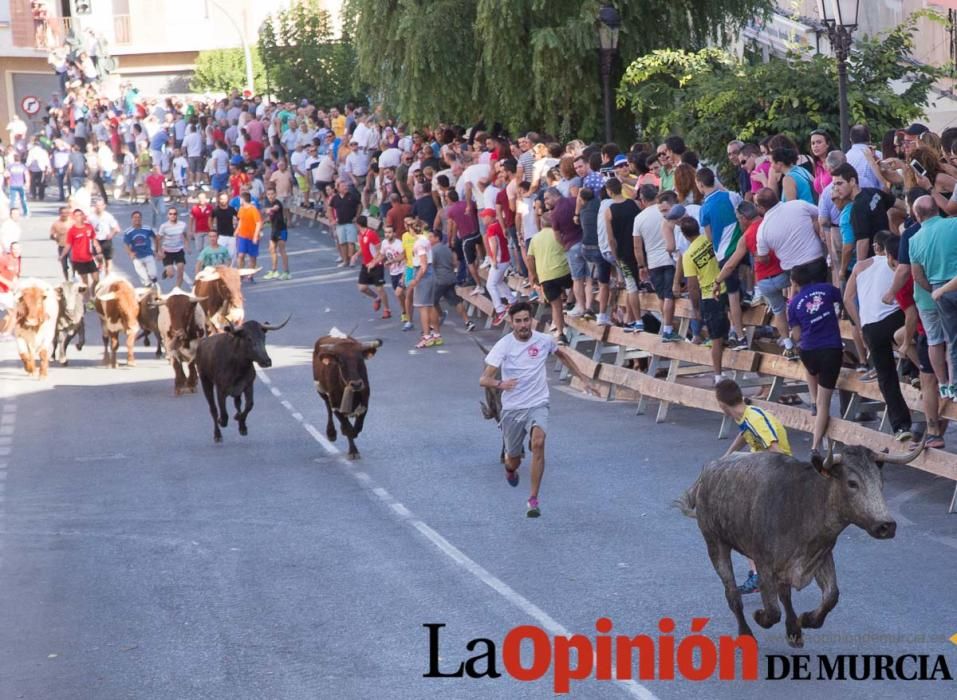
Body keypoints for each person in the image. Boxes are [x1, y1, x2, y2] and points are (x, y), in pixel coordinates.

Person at [479, 301, 600, 518]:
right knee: (513, 459)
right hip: (513, 408)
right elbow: (484, 379)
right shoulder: (504, 345)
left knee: (539, 442)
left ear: (531, 320)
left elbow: (562, 355)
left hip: (538, 403)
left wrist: (583, 379)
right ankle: (510, 468)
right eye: (518, 321)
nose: (523, 325)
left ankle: (533, 499)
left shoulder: (544, 340)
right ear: (512, 322)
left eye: (526, 320)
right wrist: (500, 384)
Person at [714, 378, 791, 594]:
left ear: (721, 404)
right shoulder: (746, 415)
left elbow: (776, 452)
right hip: (764, 476)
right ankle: (760, 573)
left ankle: (761, 575)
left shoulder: (755, 418)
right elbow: (745, 434)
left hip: (776, 478)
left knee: (745, 528)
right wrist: (728, 457)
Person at [843, 233, 913, 442]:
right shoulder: (894, 263)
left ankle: (901, 426)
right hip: (892, 318)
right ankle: (914, 369)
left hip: (870, 326)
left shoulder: (859, 266)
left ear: (876, 247)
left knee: (886, 377)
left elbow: (847, 298)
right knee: (912, 318)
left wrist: (860, 324)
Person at [787, 264, 844, 456]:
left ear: (794, 283)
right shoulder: (826, 289)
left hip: (809, 351)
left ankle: (812, 399)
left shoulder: (793, 304)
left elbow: (796, 336)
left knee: (810, 369)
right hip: (831, 349)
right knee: (824, 404)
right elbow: (844, 297)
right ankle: (815, 445)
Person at [680, 216, 729, 383]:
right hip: (726, 288)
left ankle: (718, 375)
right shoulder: (709, 239)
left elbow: (692, 287)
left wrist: (696, 309)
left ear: (684, 235)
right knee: (725, 334)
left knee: (715, 338)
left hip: (710, 296)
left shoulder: (688, 256)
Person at [527, 210, 572, 344]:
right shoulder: (559, 234)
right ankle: (570, 302)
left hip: (545, 277)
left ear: (541, 224)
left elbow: (529, 259)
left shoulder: (535, 238)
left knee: (556, 306)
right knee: (578, 282)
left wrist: (534, 275)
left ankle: (560, 333)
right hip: (563, 272)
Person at [428, 228, 475, 331]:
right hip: (451, 278)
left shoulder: (433, 251)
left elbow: (431, 266)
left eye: (431, 237)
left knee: (431, 301)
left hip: (440, 279)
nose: (429, 239)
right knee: (456, 301)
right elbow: (455, 263)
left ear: (437, 238)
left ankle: (435, 322)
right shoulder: (447, 248)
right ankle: (468, 321)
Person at [480, 208, 517, 326]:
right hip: (505, 259)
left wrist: (494, 260)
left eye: (485, 216)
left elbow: (494, 245)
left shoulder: (491, 228)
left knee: (490, 285)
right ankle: (512, 300)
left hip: (499, 260)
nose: (483, 218)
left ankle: (500, 310)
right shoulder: (499, 225)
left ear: (491, 217)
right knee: (499, 282)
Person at [351, 215, 391, 319]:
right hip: (365, 264)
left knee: (380, 288)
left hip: (376, 265)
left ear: (358, 224)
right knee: (362, 287)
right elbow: (363, 248)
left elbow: (379, 250)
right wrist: (356, 254)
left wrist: (374, 261)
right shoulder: (360, 235)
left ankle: (387, 309)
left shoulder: (371, 234)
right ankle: (377, 298)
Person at [60, 208, 101, 307]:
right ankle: (88, 301)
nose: (80, 217)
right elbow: (68, 245)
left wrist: (97, 247)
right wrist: (62, 255)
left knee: (96, 279)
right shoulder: (72, 231)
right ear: (74, 217)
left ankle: (93, 295)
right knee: (85, 282)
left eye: (81, 215)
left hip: (89, 258)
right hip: (78, 260)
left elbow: (93, 239)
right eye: (77, 215)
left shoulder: (89, 227)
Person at [409, 222, 440, 348]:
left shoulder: (419, 244)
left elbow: (423, 265)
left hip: (424, 275)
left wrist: (416, 279)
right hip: (430, 273)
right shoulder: (425, 240)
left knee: (423, 307)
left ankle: (427, 336)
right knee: (431, 305)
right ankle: (436, 335)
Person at [330, 179, 361, 267]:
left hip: (350, 222)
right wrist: (332, 219)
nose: (345, 188)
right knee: (342, 243)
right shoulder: (335, 198)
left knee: (351, 242)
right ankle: (345, 260)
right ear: (338, 188)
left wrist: (357, 216)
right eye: (343, 186)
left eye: (346, 186)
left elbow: (359, 205)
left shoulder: (352, 196)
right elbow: (329, 208)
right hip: (340, 224)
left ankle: (352, 260)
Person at [381, 225, 408, 324]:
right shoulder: (384, 243)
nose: (387, 234)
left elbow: (403, 256)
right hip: (393, 273)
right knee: (400, 295)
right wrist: (378, 262)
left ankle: (406, 313)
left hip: (402, 271)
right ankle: (405, 311)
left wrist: (392, 261)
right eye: (386, 232)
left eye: (390, 232)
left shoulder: (399, 244)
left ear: (394, 233)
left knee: (399, 293)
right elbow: (383, 254)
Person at [123, 210, 159, 287]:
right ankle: (149, 288)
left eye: (139, 217)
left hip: (148, 254)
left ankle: (152, 280)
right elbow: (126, 245)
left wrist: (156, 250)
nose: (137, 219)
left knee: (153, 275)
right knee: (146, 279)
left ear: (141, 219)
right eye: (135, 217)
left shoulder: (147, 229)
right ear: (132, 219)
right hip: (137, 257)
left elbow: (156, 238)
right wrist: (130, 253)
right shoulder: (128, 232)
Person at [157, 206, 189, 288]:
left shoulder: (182, 225)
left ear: (177, 215)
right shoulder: (164, 226)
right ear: (168, 215)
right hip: (167, 252)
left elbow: (185, 235)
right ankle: (167, 271)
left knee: (180, 271)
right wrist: (159, 252)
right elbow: (158, 239)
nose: (172, 215)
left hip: (179, 251)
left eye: (174, 214)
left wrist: (186, 245)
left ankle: (177, 289)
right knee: (171, 274)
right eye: (170, 214)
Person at [263, 189, 290, 280]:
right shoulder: (268, 203)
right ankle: (274, 271)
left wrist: (268, 210)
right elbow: (268, 215)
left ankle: (286, 272)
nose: (270, 196)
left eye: (272, 194)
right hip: (274, 229)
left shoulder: (277, 203)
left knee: (282, 250)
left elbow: (275, 209)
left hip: (281, 229)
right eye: (268, 194)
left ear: (276, 194)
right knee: (272, 249)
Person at [89, 198, 120, 275]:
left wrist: (111, 234)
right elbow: (87, 229)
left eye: (100, 205)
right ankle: (100, 264)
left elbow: (117, 228)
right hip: (96, 240)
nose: (98, 207)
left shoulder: (108, 216)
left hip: (106, 240)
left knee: (108, 261)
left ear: (104, 206)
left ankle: (107, 278)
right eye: (97, 206)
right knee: (98, 257)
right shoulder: (91, 217)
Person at [235, 192, 262, 272]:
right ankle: (241, 272)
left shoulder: (253, 209)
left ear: (243, 199)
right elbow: (240, 221)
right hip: (242, 236)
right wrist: (237, 230)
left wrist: (255, 236)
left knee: (252, 257)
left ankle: (250, 274)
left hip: (252, 236)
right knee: (241, 255)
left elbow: (258, 223)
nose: (239, 200)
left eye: (240, 199)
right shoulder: (241, 209)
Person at [211, 192, 238, 263]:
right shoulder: (216, 210)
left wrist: (237, 230)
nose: (223, 201)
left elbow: (239, 219)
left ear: (228, 199)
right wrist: (212, 230)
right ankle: (221, 271)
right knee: (220, 254)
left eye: (225, 199)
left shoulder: (232, 209)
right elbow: (210, 219)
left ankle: (230, 270)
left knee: (232, 255)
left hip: (231, 235)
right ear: (219, 200)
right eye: (221, 199)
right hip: (220, 236)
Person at [49, 206, 73, 280]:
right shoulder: (56, 224)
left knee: (74, 262)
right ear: (59, 213)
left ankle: (75, 277)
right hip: (61, 246)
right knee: (64, 265)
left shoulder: (73, 222)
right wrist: (55, 237)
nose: (64, 214)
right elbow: (51, 235)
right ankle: (67, 280)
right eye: (62, 213)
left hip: (72, 247)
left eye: (66, 213)